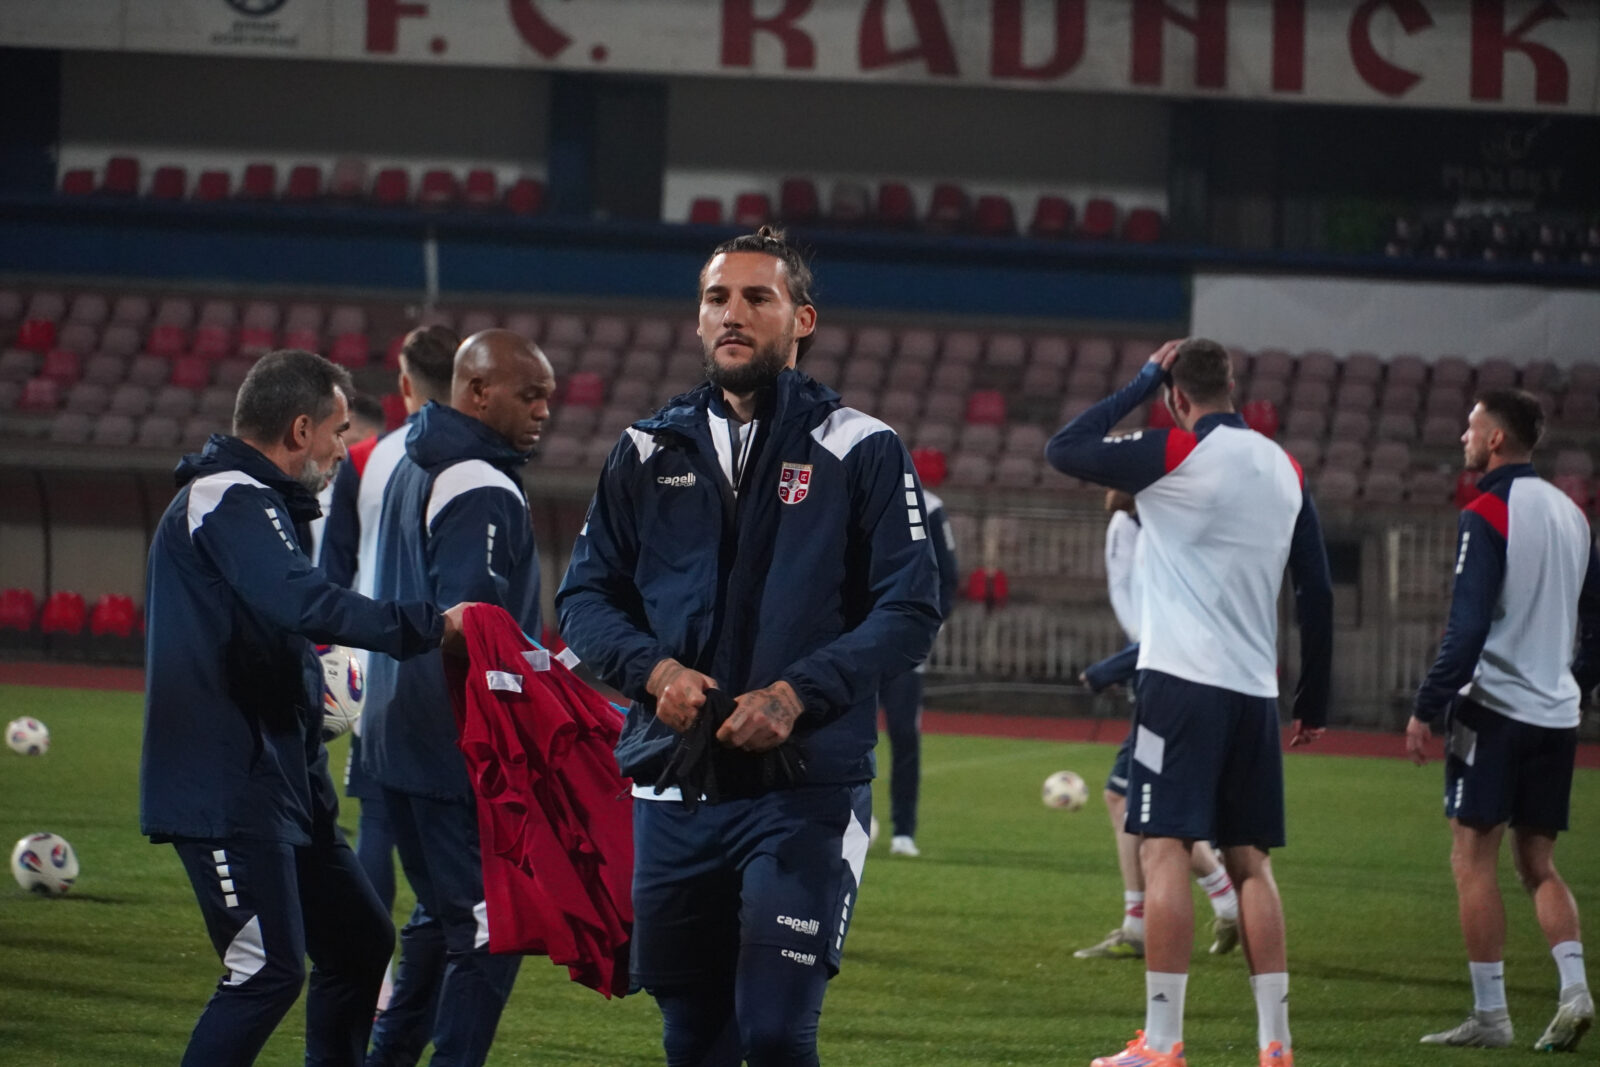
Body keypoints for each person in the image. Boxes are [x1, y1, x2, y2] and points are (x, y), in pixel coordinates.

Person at [557, 226, 942, 1066]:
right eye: (716, 298)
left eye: (757, 298)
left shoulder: (861, 447)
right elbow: (582, 598)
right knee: (692, 1035)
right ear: (697, 320)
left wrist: (795, 694)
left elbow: (910, 605)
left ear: (801, 319)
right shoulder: (645, 450)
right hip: (673, 785)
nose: (733, 314)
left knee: (772, 1030)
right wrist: (652, 670)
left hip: (802, 790)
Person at [139, 349, 462, 1067]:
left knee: (358, 943)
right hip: (225, 787)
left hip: (284, 783)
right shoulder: (227, 496)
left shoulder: (258, 505)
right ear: (298, 428)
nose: (344, 450)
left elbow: (277, 620)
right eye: (339, 432)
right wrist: (431, 625)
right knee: (265, 971)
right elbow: (301, 603)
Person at [1045, 338, 1333, 1067]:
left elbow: (1066, 447)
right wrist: (1314, 696)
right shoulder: (1285, 466)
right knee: (1251, 862)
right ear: (1232, 385)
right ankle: (1277, 1042)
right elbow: (1316, 590)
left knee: (1163, 846)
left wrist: (1139, 376)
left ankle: (1164, 1042)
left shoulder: (1173, 451)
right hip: (1253, 693)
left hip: (1178, 685)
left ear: (1176, 396)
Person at [362, 328, 555, 1067]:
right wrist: (546, 672)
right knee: (494, 924)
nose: (543, 411)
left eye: (548, 397)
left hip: (397, 733)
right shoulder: (478, 480)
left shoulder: (413, 460)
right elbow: (470, 625)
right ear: (477, 392)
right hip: (454, 743)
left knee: (439, 918)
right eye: (528, 394)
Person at [1406, 389, 1597, 1053]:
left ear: (1494, 439)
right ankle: (1574, 990)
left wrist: (1427, 706)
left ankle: (1492, 1013)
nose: (1463, 434)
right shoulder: (1573, 515)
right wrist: (1579, 679)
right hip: (1556, 714)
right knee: (1539, 861)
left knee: (1471, 856)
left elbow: (1466, 629)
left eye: (1471, 425)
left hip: (1495, 710)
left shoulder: (1486, 510)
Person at [318, 325, 460, 1061]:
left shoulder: (367, 459)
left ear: (403, 386)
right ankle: (439, 982)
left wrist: (326, 659)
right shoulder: (472, 460)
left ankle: (371, 973)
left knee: (377, 813)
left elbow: (331, 571)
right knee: (448, 851)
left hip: (375, 663)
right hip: (450, 666)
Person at [1075, 489, 1240, 960]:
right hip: (1181, 679)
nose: (1105, 488)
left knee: (1147, 806)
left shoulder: (1168, 533)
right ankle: (1145, 921)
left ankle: (1219, 899)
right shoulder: (1157, 526)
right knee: (1130, 797)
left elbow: (1172, 623)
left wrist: (1115, 667)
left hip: (1173, 684)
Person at [877, 450, 960, 858]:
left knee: (905, 737)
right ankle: (844, 820)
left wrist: (925, 629)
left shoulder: (930, 507)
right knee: (841, 738)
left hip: (905, 651)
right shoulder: (856, 499)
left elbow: (948, 577)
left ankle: (903, 830)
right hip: (853, 645)